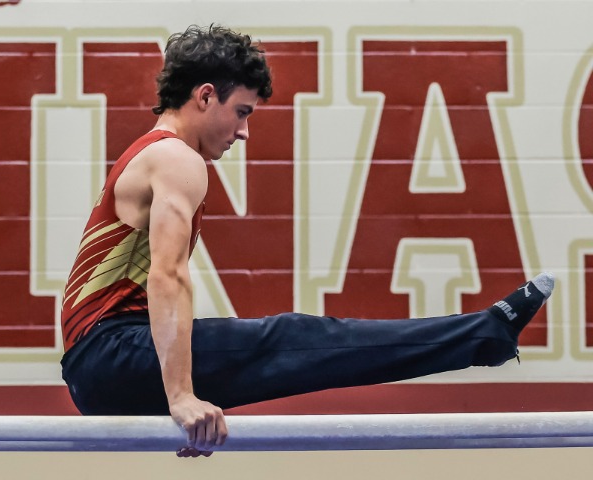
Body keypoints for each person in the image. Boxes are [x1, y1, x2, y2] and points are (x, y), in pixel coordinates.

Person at [60, 24, 554, 457]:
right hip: (111, 355)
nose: (244, 132)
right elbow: (168, 275)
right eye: (241, 111)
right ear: (205, 96)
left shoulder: (152, 155)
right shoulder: (175, 158)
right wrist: (181, 396)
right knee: (291, 339)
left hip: (108, 362)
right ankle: (485, 335)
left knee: (285, 343)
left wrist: (179, 408)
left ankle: (484, 335)